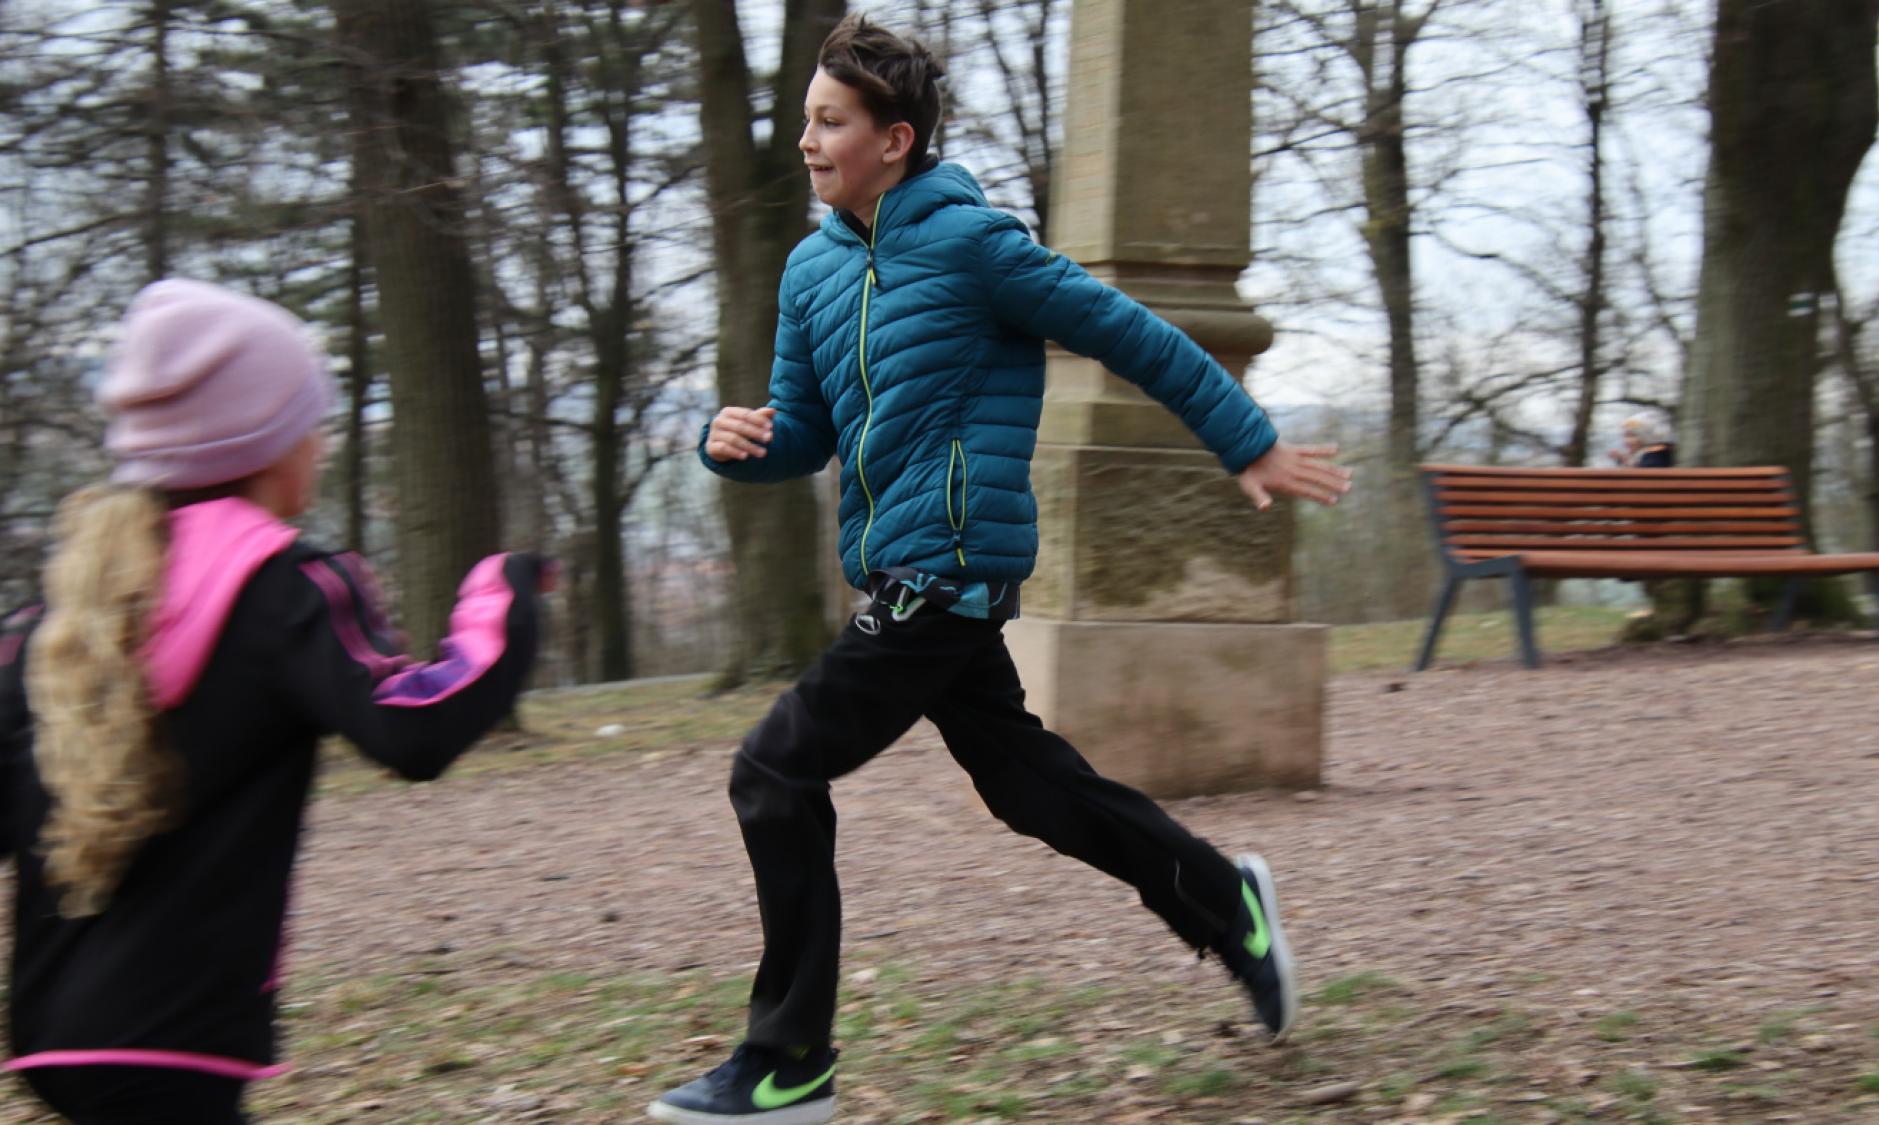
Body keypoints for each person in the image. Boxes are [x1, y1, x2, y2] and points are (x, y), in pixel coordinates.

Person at [650, 15, 1351, 1125]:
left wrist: (1246, 441)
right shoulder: (810, 268)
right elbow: (804, 431)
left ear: (895, 139)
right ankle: (1225, 905)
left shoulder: (975, 247)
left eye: (829, 122)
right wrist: (734, 445)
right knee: (1029, 789)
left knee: (774, 769)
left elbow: (1130, 334)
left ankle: (788, 1063)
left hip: (951, 565)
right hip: (896, 572)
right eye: (806, 121)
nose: (807, 142)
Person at [0, 279, 548, 1124]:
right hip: (175, 1042)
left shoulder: (59, 615)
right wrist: (502, 599)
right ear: (264, 441)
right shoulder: (284, 585)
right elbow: (414, 728)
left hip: (49, 1036)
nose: (321, 446)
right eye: (311, 422)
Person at [1608, 414, 1675, 468]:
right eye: (1625, 436)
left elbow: (1645, 475)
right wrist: (1623, 460)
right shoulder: (1640, 455)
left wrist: (1625, 461)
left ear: (1645, 438)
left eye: (1632, 436)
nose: (1627, 441)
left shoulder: (1654, 455)